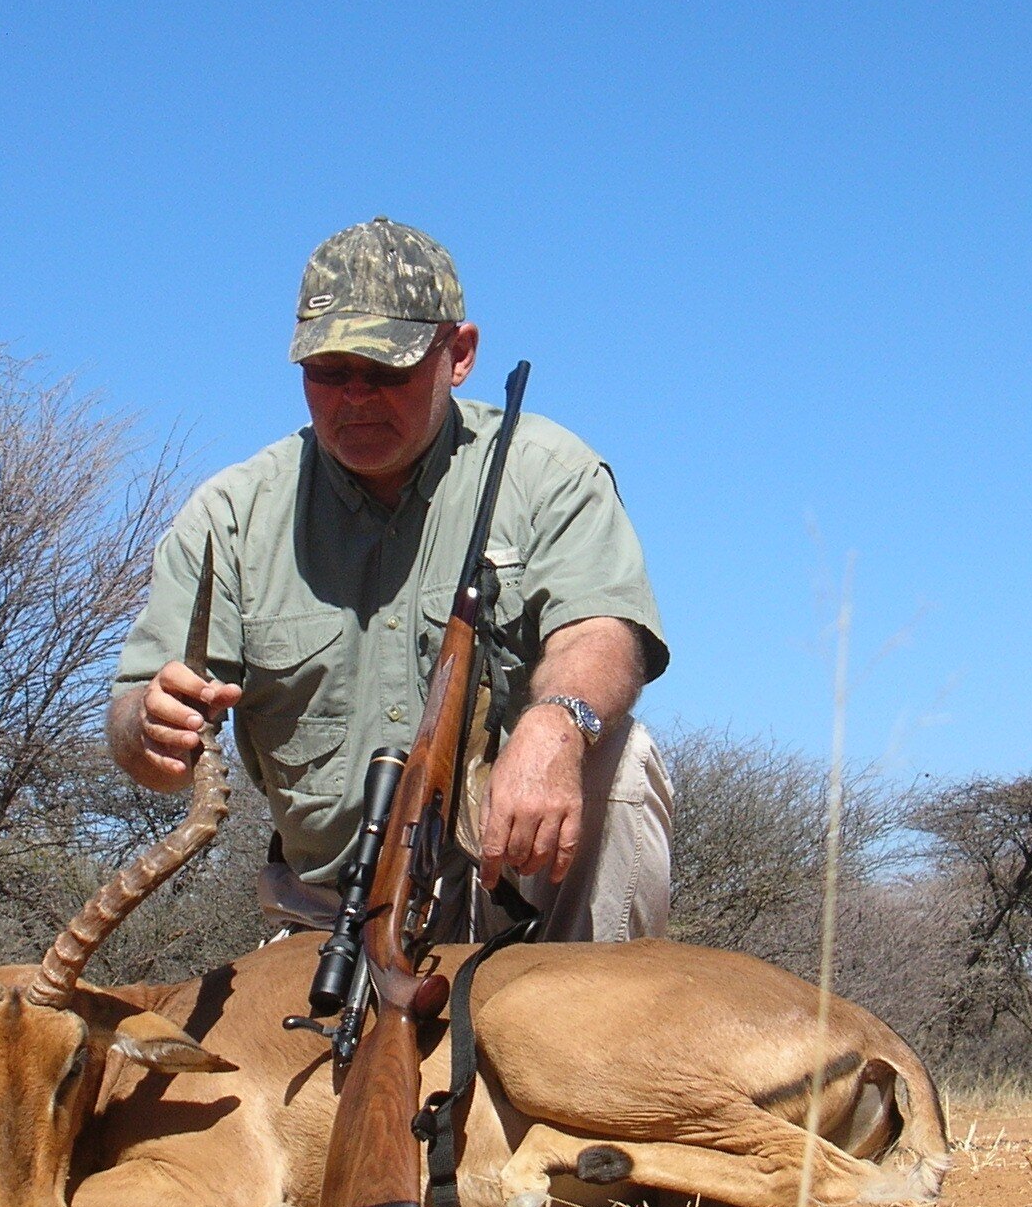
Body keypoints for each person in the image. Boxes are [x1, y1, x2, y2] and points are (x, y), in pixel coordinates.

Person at [108, 217, 672, 941]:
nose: (355, 398)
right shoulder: (230, 517)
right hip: (331, 910)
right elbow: (140, 737)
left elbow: (601, 631)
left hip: (514, 876)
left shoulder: (547, 472)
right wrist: (147, 729)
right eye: (328, 372)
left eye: (387, 372)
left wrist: (558, 722)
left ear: (459, 354)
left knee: (619, 761)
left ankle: (592, 1023)